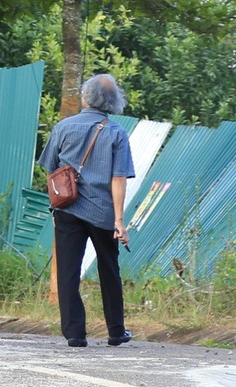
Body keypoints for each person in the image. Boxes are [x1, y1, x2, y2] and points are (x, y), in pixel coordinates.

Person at [38, 74, 136, 349]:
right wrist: (119, 220)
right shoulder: (116, 132)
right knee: (109, 269)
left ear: (85, 97)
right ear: (113, 102)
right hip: (103, 212)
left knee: (68, 270)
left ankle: (75, 334)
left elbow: (50, 166)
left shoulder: (63, 127)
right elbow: (119, 178)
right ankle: (116, 332)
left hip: (68, 209)